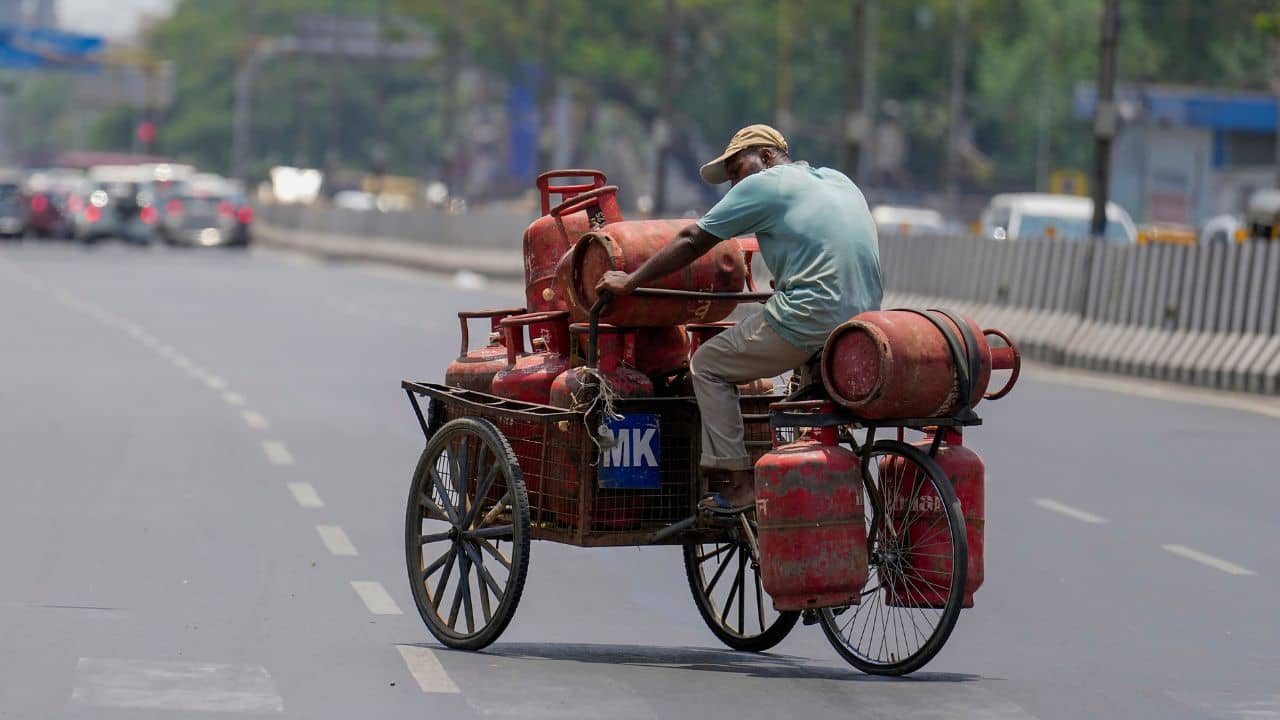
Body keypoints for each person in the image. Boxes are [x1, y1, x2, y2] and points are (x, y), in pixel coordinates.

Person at [596, 124, 882, 509]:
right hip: (864, 322)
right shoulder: (839, 181)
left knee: (708, 364)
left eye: (736, 172)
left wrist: (631, 280)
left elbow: (692, 240)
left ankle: (739, 480)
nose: (734, 187)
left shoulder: (766, 184)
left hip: (810, 317)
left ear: (765, 157)